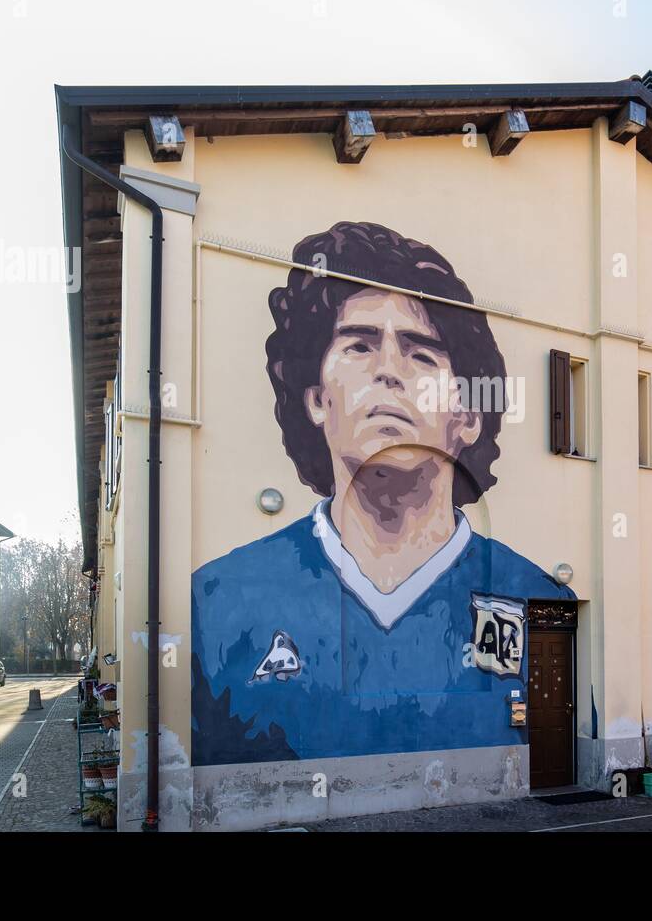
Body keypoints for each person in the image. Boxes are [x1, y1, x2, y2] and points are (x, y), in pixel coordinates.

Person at [192, 221, 573, 765]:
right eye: (359, 345)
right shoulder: (214, 603)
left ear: (466, 415)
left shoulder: (536, 599)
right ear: (316, 398)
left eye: (421, 353)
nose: (389, 370)